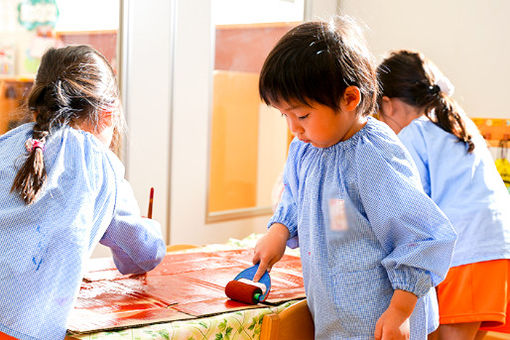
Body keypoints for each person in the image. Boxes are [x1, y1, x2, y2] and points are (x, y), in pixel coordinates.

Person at [251, 16, 457, 340]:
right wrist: (279, 232)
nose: (294, 128)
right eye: (285, 115)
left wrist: (400, 311)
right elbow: (295, 195)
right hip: (338, 319)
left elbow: (421, 235)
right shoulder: (307, 150)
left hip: (383, 323)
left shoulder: (374, 154)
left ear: (350, 99)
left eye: (302, 115)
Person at [0, 45, 166, 340]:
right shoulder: (98, 163)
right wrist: (152, 233)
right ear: (108, 113)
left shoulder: (7, 144)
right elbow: (140, 253)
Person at [377, 50, 510, 340]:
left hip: (468, 250)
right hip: (494, 248)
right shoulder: (454, 122)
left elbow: (409, 208)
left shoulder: (413, 134)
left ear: (387, 104)